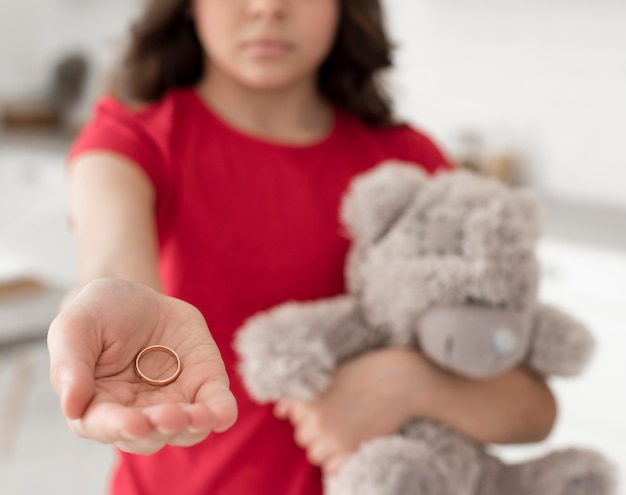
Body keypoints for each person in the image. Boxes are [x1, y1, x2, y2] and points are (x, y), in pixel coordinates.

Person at [47, 0, 557, 493]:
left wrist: (410, 383)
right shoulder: (132, 140)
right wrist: (107, 297)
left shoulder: (409, 163)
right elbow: (110, 259)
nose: (268, 6)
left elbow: (532, 410)